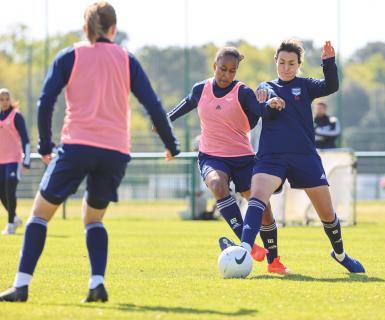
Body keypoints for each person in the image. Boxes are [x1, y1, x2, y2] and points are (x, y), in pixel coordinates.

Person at [0, 1, 179, 303]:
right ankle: (97, 283)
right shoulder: (127, 59)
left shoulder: (70, 55)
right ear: (114, 29)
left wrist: (45, 145)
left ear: (84, 28)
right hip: (115, 152)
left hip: (77, 147)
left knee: (39, 217)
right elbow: (153, 104)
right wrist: (170, 143)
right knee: (94, 220)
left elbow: (46, 101)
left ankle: (21, 285)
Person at [225, 39, 365, 273]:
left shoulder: (306, 85)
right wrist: (270, 103)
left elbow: (331, 86)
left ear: (299, 64)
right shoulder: (265, 87)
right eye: (282, 62)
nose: (286, 67)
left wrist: (328, 63)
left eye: (291, 63)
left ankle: (340, 254)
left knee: (327, 214)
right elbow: (262, 107)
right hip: (271, 156)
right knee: (257, 198)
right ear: (276, 62)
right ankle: (246, 249)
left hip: (304, 156)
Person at [168, 47, 290, 274]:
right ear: (214, 66)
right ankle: (249, 245)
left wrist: (271, 105)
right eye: (222, 69)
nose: (226, 75)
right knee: (217, 185)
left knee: (262, 208)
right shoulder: (200, 89)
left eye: (231, 71)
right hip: (211, 156)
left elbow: (260, 111)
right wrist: (165, 121)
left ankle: (274, 260)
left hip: (243, 157)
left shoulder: (242, 92)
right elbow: (184, 104)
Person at [0, 88, 30, 235]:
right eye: (1, 99)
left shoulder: (16, 116)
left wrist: (27, 160)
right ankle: (16, 217)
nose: (4, 102)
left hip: (14, 160)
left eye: (6, 98)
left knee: (10, 190)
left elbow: (25, 139)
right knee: (1, 193)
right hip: (1, 161)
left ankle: (10, 225)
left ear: (10, 99)